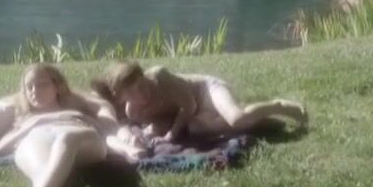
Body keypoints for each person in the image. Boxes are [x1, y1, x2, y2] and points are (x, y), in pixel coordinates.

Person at [0, 64, 147, 187]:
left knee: (66, 138)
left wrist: (125, 148)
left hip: (79, 139)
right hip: (36, 139)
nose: (34, 91)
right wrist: (34, 123)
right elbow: (0, 149)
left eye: (42, 84)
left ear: (57, 86)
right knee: (42, 171)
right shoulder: (25, 120)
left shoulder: (74, 112)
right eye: (29, 87)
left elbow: (106, 134)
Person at [93, 60, 308, 141]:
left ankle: (278, 106)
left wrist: (171, 134)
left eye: (141, 86)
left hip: (206, 91)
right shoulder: (134, 112)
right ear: (122, 96)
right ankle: (260, 120)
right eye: (131, 93)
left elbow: (189, 105)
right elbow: (163, 119)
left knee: (236, 119)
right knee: (197, 130)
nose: (140, 94)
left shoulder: (159, 76)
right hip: (194, 113)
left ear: (144, 76)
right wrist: (155, 131)